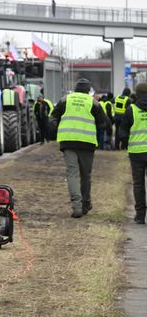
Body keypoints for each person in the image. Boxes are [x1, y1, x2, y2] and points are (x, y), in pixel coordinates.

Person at [51, 78, 111, 218]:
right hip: (87, 143)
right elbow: (105, 122)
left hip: (68, 141)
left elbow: (53, 117)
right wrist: (98, 127)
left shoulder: (65, 100)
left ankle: (76, 205)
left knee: (72, 174)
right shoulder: (93, 102)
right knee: (85, 175)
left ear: (76, 88)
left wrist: (54, 129)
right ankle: (85, 204)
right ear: (88, 90)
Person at [119, 82, 147, 224]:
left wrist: (124, 144)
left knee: (138, 184)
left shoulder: (131, 110)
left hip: (136, 153)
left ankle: (140, 215)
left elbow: (123, 132)